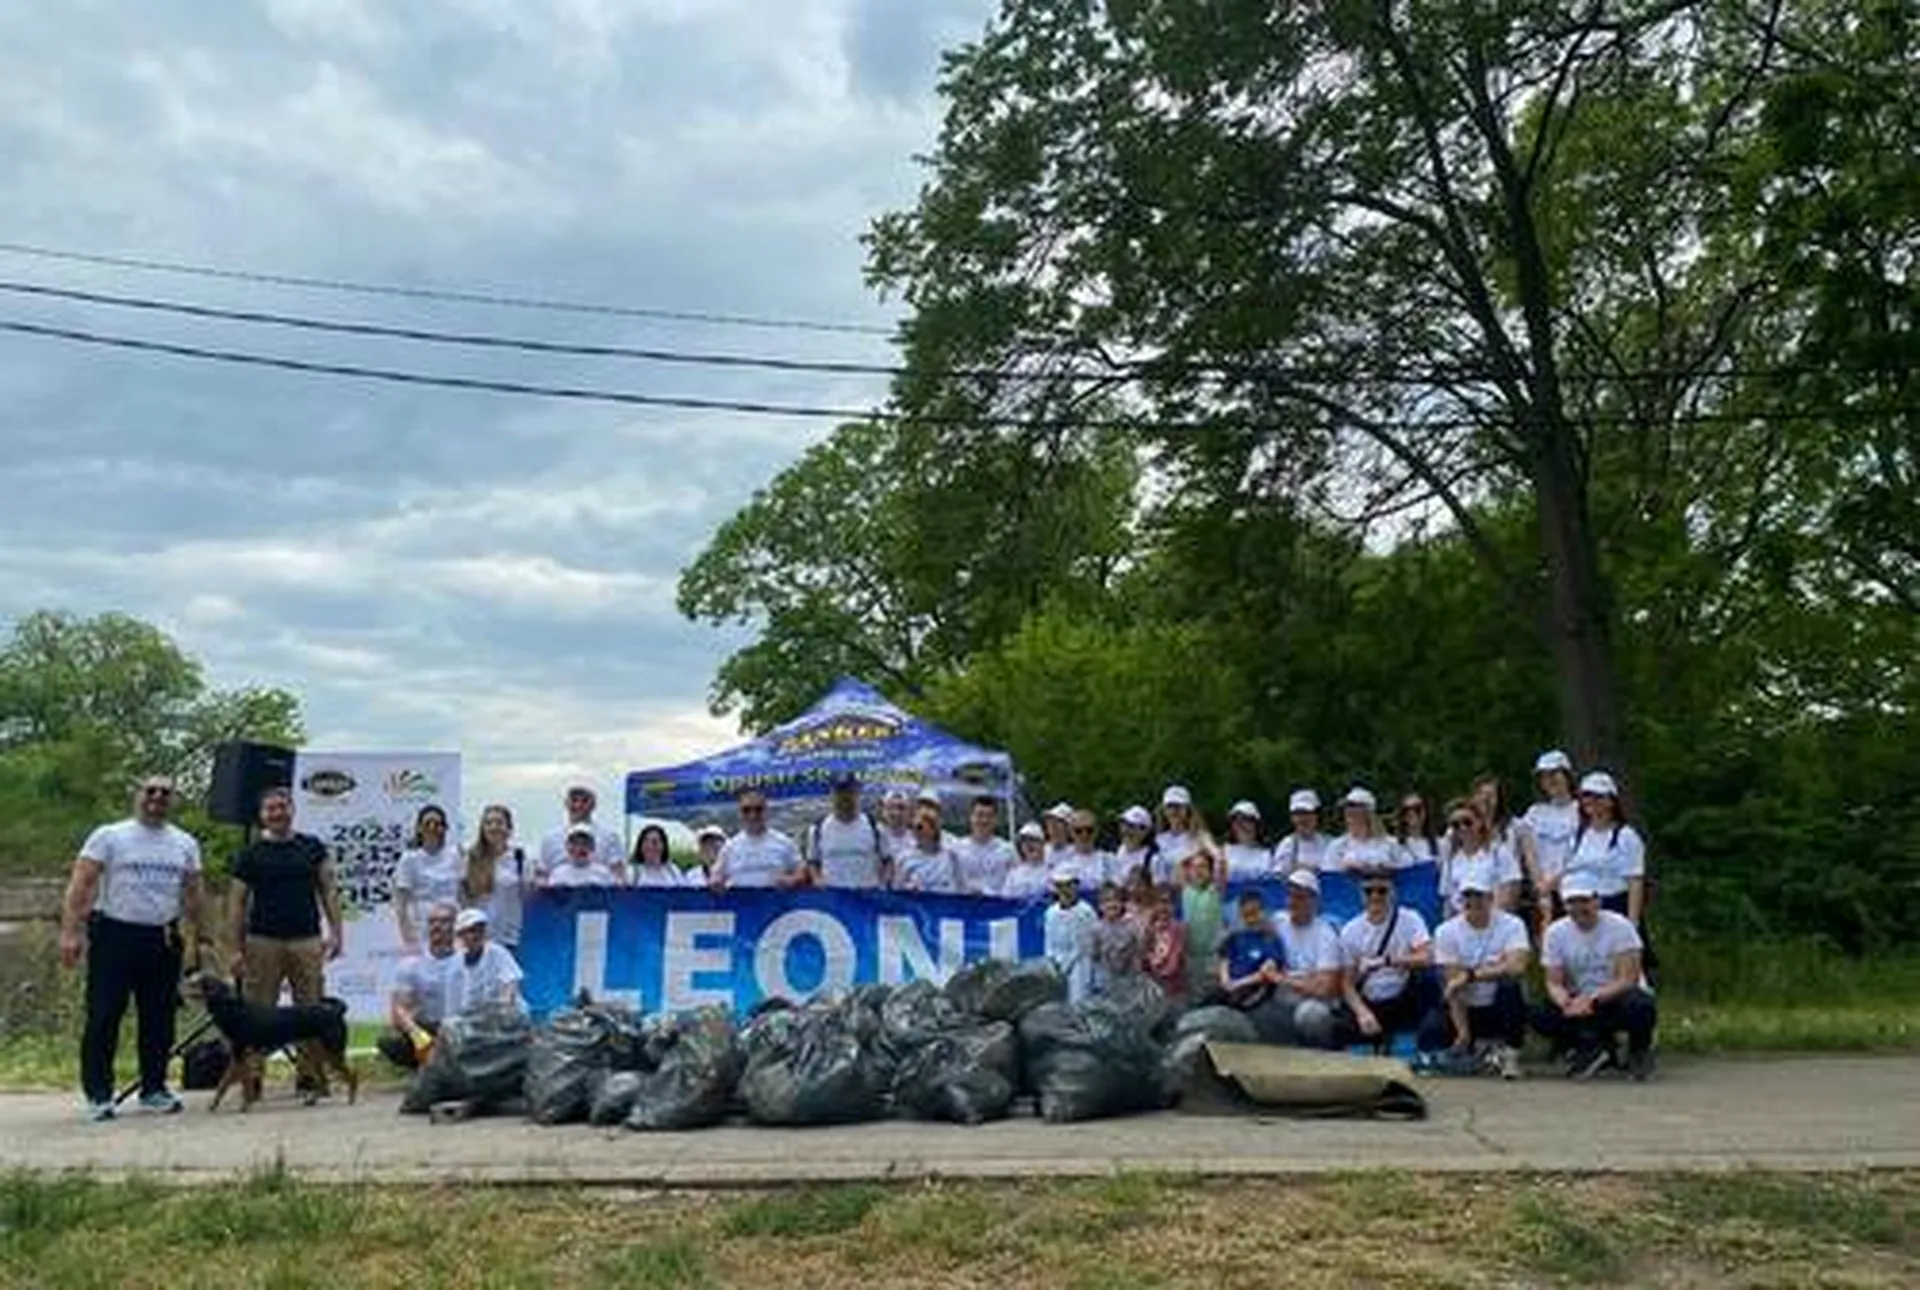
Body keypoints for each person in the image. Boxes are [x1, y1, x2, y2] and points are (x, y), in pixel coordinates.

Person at [59, 774, 206, 1121]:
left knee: (159, 1018)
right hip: (114, 935)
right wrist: (70, 932)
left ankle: (153, 1088)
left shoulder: (184, 843)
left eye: (165, 793)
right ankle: (99, 1094)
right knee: (104, 1015)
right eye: (150, 791)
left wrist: (198, 937)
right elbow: (81, 884)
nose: (157, 797)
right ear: (137, 796)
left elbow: (194, 894)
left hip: (162, 938)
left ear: (174, 800)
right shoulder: (110, 836)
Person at [1533, 878, 1659, 1080]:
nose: (1578, 908)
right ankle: (1590, 1048)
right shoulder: (1556, 932)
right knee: (1540, 1014)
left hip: (1616, 996)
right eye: (1572, 902)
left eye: (1584, 901)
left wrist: (1592, 998)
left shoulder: (1621, 926)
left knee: (1641, 1005)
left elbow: (1628, 978)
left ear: (1597, 901)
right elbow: (1553, 981)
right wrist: (1564, 1001)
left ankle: (1640, 1050)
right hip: (1579, 999)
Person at [229, 787, 342, 1011]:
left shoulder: (312, 847)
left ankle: (310, 1048)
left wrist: (336, 933)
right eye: (271, 809)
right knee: (258, 1013)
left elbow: (329, 891)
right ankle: (260, 1048)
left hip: (307, 940)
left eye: (283, 807)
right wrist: (235, 949)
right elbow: (236, 903)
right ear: (262, 815)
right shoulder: (250, 854)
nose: (278, 814)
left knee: (312, 1011)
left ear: (292, 810)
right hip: (262, 942)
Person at [1424, 878, 1531, 1078]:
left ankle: (1510, 1056)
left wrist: (1470, 975)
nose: (1473, 902)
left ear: (1491, 898)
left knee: (1511, 985)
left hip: (1500, 1004)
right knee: (1431, 1029)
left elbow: (1517, 966)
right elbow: (1452, 983)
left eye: (1479, 895)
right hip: (1465, 1006)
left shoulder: (1513, 924)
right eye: (1468, 896)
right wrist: (1463, 1032)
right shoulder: (1445, 931)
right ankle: (1469, 1047)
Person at [1339, 872, 1433, 1051]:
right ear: (1361, 895)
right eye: (1369, 891)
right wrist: (1362, 1013)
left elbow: (1427, 957)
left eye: (1382, 891)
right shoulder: (1350, 930)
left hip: (1402, 996)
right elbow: (1346, 984)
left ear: (1393, 893)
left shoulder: (1410, 919)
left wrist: (1387, 961)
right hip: (1368, 999)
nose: (1375, 896)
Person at [377, 903, 456, 1069]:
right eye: (433, 922)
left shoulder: (468, 959)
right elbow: (398, 1009)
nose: (438, 926)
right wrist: (417, 1034)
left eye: (445, 921)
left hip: (461, 1027)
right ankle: (425, 1065)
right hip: (428, 1027)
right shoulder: (411, 964)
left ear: (457, 927)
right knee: (390, 1039)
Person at [1566, 771, 1648, 927]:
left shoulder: (1626, 836)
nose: (1591, 801)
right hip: (1583, 909)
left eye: (1598, 796)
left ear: (1611, 801)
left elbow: (1635, 882)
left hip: (1615, 906)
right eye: (1586, 795)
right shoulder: (1577, 837)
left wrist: (1632, 922)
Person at [1272, 871, 1343, 1048]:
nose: (1292, 901)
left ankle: (1321, 1058)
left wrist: (1282, 979)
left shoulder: (1326, 934)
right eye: (1290, 895)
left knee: (1311, 1015)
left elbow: (1324, 988)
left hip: (1314, 1003)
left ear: (1314, 901)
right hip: (1282, 999)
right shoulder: (1277, 921)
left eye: (1300, 896)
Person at [1521, 751, 1581, 921]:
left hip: (1575, 889)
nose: (1550, 780)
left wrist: (1553, 882)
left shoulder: (1582, 810)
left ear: (1567, 776)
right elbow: (1528, 851)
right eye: (1544, 776)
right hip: (1542, 893)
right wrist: (1540, 885)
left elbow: (1581, 852)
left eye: (1555, 774)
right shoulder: (1534, 813)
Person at [394, 803, 461, 953]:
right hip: (424, 926)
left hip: (453, 925)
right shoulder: (409, 859)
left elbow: (463, 894)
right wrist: (408, 937)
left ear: (445, 828)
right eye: (427, 823)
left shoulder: (455, 855)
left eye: (437, 824)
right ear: (419, 828)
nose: (432, 827)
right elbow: (401, 905)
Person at [461, 804, 527, 955]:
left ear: (509, 828)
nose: (494, 827)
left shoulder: (518, 858)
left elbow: (527, 892)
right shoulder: (469, 859)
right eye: (488, 823)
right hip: (476, 939)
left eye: (499, 822)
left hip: (509, 938)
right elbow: (462, 899)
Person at [1473, 772, 1541, 916]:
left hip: (1507, 898)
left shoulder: (1517, 827)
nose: (1485, 800)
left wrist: (1540, 891)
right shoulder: (1464, 829)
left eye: (1491, 795)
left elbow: (1531, 862)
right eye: (1481, 795)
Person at [710, 790, 807, 890]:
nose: (752, 815)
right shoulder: (729, 847)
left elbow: (802, 872)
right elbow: (716, 875)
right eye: (746, 810)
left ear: (766, 811)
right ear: (739, 813)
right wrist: (716, 880)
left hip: (776, 903)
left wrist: (792, 880)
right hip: (741, 904)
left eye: (758, 809)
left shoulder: (785, 843)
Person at [807, 773, 889, 890]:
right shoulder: (818, 828)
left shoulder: (874, 826)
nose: (845, 797)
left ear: (858, 793)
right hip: (833, 896)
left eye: (850, 792)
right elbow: (812, 862)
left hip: (867, 896)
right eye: (840, 792)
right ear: (832, 794)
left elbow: (888, 860)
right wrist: (817, 880)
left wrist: (883, 885)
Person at [1441, 798, 1521, 915]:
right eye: (1456, 825)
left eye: (1467, 822)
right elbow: (1448, 900)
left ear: (1479, 822)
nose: (1462, 828)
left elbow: (1511, 889)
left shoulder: (1498, 852)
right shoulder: (1451, 861)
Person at [536, 785, 626, 885]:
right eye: (574, 800)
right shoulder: (550, 839)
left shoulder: (610, 837)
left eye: (584, 801)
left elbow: (618, 875)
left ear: (593, 805)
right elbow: (542, 875)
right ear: (566, 803)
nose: (578, 805)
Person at [443, 908, 525, 1017]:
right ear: (461, 935)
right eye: (472, 931)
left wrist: (504, 1010)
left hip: (504, 1015)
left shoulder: (497, 953)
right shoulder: (455, 963)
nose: (477, 935)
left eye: (480, 930)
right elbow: (453, 1001)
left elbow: (510, 983)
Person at [1212, 889, 1286, 1010]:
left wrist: (1237, 984)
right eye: (1246, 915)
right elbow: (1225, 959)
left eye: (1255, 913)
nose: (1251, 919)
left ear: (1264, 911)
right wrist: (1225, 980)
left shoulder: (1271, 940)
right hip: (1228, 988)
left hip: (1252, 991)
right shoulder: (1236, 936)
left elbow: (1267, 972)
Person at [1043, 867, 1098, 1003]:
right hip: (1057, 964)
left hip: (1080, 965)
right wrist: (1053, 963)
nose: (1064, 890)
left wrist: (1068, 965)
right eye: (1060, 886)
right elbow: (1049, 942)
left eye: (1069, 885)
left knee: (1078, 1000)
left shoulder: (1086, 912)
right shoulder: (1050, 913)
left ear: (1076, 886)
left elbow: (1084, 945)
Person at [1180, 850, 1226, 997]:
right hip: (1191, 957)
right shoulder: (1185, 890)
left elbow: (1222, 863)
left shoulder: (1216, 890)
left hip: (1212, 957)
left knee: (1214, 997)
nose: (1198, 871)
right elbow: (1180, 865)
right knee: (1194, 998)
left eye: (1203, 867)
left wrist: (1205, 843)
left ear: (1211, 872)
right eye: (1194, 867)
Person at [1325, 787, 1400, 873]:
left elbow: (1405, 871)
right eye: (1347, 806)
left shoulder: (1391, 844)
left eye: (1354, 806)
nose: (1349, 810)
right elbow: (1329, 875)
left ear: (1368, 812)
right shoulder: (1337, 846)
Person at [951, 796, 1014, 896]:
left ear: (996, 819)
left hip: (998, 908)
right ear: (971, 817)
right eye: (979, 815)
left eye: (989, 816)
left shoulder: (1008, 850)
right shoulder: (955, 849)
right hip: (965, 907)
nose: (984, 820)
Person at [894, 802, 961, 893]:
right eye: (915, 827)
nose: (918, 832)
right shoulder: (904, 858)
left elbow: (961, 887)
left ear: (934, 829)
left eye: (921, 827)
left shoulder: (951, 856)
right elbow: (897, 890)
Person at [1088, 883, 1143, 994]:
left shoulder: (1132, 925)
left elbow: (1139, 951)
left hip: (1130, 979)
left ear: (1122, 903)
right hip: (1107, 980)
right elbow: (1094, 955)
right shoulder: (1096, 929)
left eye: (1116, 900)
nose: (1112, 904)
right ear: (1100, 906)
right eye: (1107, 901)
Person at [1140, 887, 1188, 1001]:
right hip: (1152, 984)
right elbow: (1143, 953)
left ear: (1174, 906)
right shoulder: (1149, 928)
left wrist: (1163, 973)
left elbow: (1176, 958)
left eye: (1167, 902)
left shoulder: (1179, 928)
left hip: (1172, 985)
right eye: (1159, 902)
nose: (1163, 907)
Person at [1154, 785, 1210, 878]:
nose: (1174, 811)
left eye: (1178, 807)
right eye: (1169, 806)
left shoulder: (1199, 837)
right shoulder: (1158, 839)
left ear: (1187, 809)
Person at [1272, 789, 1329, 873]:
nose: (1302, 819)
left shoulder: (1328, 843)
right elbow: (1278, 876)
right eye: (1297, 814)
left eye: (1306, 813)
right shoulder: (1286, 845)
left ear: (1316, 816)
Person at [546, 823, 620, 888]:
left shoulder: (604, 874)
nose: (579, 848)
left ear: (593, 847)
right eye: (575, 844)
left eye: (585, 844)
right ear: (567, 847)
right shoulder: (558, 874)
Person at [1221, 801, 1273, 883]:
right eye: (1236, 821)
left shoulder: (1268, 853)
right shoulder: (1224, 852)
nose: (1241, 825)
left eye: (1246, 820)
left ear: (1256, 824)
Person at [1060, 808, 1111, 892]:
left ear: (1097, 831)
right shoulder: (1063, 861)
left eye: (1089, 830)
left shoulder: (1108, 860)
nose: (1084, 835)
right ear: (1070, 832)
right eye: (1078, 831)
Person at [630, 823, 692, 888]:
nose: (650, 846)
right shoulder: (631, 873)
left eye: (655, 842)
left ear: (663, 846)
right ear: (640, 846)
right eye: (646, 841)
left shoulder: (673, 871)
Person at [1001, 822, 1053, 900]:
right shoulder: (1013, 874)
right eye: (1024, 841)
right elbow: (1005, 899)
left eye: (1033, 840)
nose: (1029, 844)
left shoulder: (1052, 871)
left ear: (1042, 844)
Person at [1113, 806, 1162, 886]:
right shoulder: (1120, 850)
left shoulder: (1153, 859)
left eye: (1131, 827)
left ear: (1145, 831)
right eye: (1124, 824)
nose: (1126, 830)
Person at [1393, 793, 1441, 869]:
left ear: (1425, 813)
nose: (1411, 813)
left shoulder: (1440, 844)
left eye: (1417, 809)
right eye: (1406, 810)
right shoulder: (1394, 845)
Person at [878, 790, 916, 865]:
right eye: (890, 807)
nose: (896, 812)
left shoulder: (917, 840)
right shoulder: (874, 837)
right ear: (883, 811)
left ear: (909, 812)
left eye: (901, 808)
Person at [1042, 802, 1076, 866]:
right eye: (1050, 820)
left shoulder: (1077, 855)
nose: (1053, 825)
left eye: (1059, 821)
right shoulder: (1039, 852)